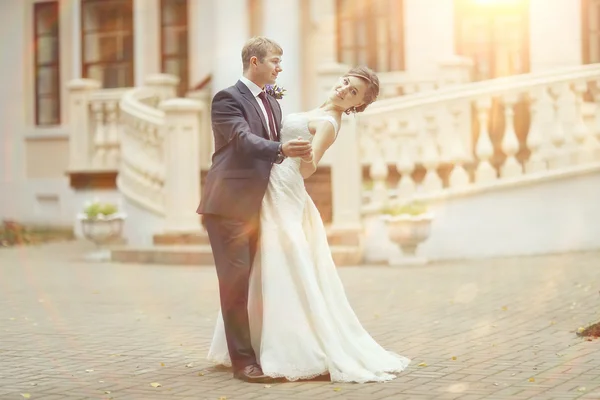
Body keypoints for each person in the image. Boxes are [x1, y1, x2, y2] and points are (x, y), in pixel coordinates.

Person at [204, 58, 412, 382]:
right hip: (269, 184)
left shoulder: (330, 121)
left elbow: (310, 167)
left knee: (282, 264)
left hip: (283, 189)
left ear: (358, 104)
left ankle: (292, 347)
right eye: (346, 82)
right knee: (259, 265)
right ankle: (252, 345)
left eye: (353, 91)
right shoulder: (317, 110)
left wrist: (301, 156)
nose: (344, 89)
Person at [197, 36, 312, 383]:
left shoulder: (273, 102)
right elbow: (242, 140)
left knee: (261, 283)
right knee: (234, 285)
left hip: (261, 208)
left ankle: (262, 350)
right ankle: (243, 364)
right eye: (275, 61)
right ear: (254, 62)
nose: (279, 68)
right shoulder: (227, 99)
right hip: (228, 207)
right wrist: (281, 148)